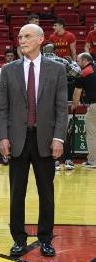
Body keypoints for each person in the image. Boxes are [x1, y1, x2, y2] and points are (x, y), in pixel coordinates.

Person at [0, 24, 68, 258]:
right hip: (17, 139)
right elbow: (3, 108)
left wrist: (59, 137)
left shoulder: (57, 69)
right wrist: (3, 137)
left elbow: (61, 108)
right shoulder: (8, 70)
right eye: (19, 36)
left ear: (40, 39)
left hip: (45, 139)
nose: (22, 40)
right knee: (17, 193)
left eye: (27, 36)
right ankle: (18, 239)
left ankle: (46, 239)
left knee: (46, 193)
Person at [42, 43, 81, 171]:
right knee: (62, 130)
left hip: (42, 101)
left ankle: (54, 161)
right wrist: (73, 62)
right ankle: (68, 159)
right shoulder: (62, 61)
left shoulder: (37, 62)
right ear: (54, 51)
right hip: (60, 99)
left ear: (42, 50)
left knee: (46, 131)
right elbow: (77, 73)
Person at [72, 52, 96, 169]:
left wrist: (74, 105)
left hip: (94, 106)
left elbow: (77, 93)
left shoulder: (84, 73)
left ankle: (93, 161)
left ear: (85, 61)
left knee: (92, 134)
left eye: (78, 61)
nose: (77, 63)